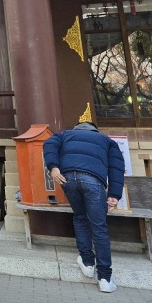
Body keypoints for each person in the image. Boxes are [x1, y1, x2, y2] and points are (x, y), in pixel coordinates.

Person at [43, 121, 125, 293]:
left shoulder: (64, 134)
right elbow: (116, 168)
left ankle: (87, 263)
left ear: (77, 129)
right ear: (95, 130)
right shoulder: (107, 141)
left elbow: (49, 143)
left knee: (80, 217)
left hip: (67, 178)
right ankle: (105, 278)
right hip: (93, 180)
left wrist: (53, 167)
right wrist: (114, 195)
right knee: (99, 226)